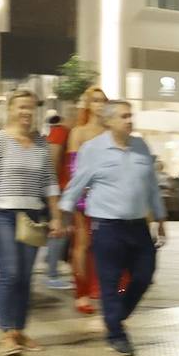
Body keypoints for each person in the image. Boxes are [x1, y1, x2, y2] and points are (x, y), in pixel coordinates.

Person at [60, 101, 167, 356]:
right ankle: (116, 334)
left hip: (138, 226)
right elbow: (77, 184)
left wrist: (161, 220)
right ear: (108, 121)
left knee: (144, 274)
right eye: (124, 116)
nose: (130, 120)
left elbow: (151, 186)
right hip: (107, 227)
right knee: (109, 283)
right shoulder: (93, 149)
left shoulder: (141, 146)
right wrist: (65, 216)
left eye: (131, 116)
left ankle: (115, 316)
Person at [0, 90, 65, 355]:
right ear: (10, 110)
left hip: (33, 216)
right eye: (21, 107)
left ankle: (19, 331)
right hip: (2, 214)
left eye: (30, 108)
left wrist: (56, 215)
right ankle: (6, 332)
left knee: (25, 278)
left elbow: (49, 183)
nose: (26, 112)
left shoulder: (40, 143)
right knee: (10, 273)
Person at [67, 85, 108, 315]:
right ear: (88, 105)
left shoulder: (111, 132)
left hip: (109, 196)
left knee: (106, 243)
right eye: (95, 100)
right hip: (84, 194)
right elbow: (73, 166)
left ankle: (101, 286)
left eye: (102, 100)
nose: (99, 105)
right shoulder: (78, 132)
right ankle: (81, 292)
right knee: (82, 244)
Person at [44, 112, 71, 290]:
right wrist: (53, 188)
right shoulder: (61, 131)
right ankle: (52, 274)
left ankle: (51, 263)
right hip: (61, 188)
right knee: (59, 230)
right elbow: (52, 159)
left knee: (63, 231)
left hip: (66, 188)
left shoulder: (66, 131)